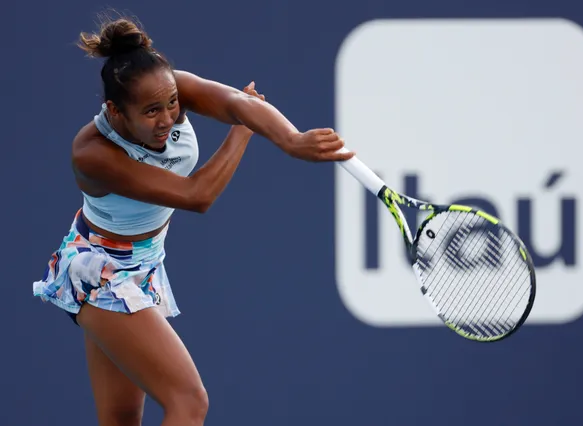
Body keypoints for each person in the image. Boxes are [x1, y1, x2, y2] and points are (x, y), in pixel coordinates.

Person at [32, 13, 355, 426]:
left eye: (172, 104)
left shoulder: (170, 87)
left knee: (120, 419)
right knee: (189, 401)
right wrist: (242, 132)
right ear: (114, 111)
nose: (167, 118)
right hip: (101, 269)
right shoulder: (92, 153)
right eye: (151, 111)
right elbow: (197, 195)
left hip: (144, 265)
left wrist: (291, 139)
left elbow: (239, 103)